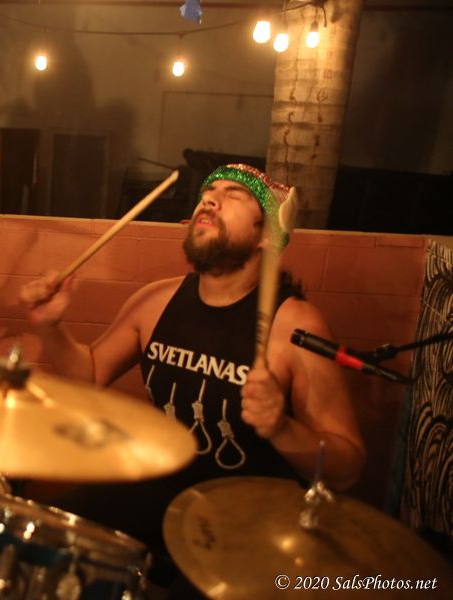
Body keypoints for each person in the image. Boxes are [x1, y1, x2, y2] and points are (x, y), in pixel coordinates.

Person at [19, 164, 366, 583]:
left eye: (233, 195)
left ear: (267, 235)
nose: (210, 199)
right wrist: (49, 327)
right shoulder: (155, 301)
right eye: (207, 192)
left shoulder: (295, 326)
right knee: (40, 543)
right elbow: (89, 375)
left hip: (246, 521)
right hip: (156, 490)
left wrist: (281, 427)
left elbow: (346, 467)